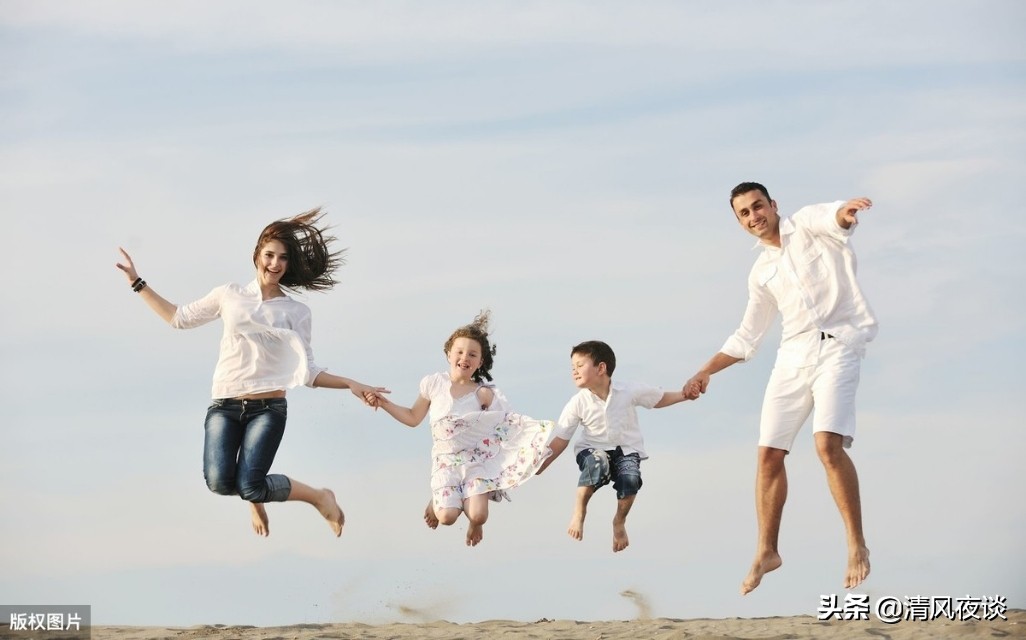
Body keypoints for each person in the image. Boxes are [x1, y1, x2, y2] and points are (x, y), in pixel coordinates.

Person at [115, 208, 388, 538]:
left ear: (289, 265)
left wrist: (350, 384)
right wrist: (136, 282)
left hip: (269, 410)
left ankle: (318, 497)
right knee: (218, 483)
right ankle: (253, 495)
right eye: (269, 255)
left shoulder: (296, 311)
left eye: (282, 259)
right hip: (225, 405)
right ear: (257, 255)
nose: (275, 264)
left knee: (251, 485)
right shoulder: (229, 295)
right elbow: (178, 318)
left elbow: (307, 371)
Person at [682, 182, 877, 594]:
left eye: (758, 207)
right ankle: (767, 550)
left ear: (773, 205)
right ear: (739, 222)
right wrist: (706, 371)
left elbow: (835, 217)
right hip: (792, 357)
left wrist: (846, 213)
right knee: (769, 454)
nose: (754, 217)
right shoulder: (760, 273)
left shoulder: (806, 224)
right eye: (744, 214)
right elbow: (747, 337)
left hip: (838, 345)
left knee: (826, 444)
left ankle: (856, 543)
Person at [365, 311, 553, 547]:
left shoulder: (484, 393)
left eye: (472, 354)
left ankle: (474, 524)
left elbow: (507, 426)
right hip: (446, 461)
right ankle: (436, 501)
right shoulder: (434, 384)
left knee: (479, 515)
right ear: (448, 354)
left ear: (480, 362)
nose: (465, 357)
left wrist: (533, 449)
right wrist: (383, 403)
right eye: (460, 352)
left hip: (475, 463)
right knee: (447, 517)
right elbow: (413, 418)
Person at [536, 340, 691, 553]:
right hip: (591, 449)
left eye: (580, 365)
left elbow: (658, 398)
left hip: (626, 449)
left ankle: (619, 521)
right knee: (597, 463)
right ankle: (579, 512)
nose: (574, 371)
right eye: (572, 367)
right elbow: (561, 439)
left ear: (601, 368)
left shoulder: (629, 390)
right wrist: (540, 465)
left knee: (631, 479)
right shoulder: (577, 402)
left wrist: (685, 395)